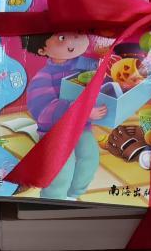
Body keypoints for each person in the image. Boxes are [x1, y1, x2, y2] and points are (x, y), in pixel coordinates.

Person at [20, 32, 108, 200]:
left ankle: (74, 194)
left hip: (80, 126)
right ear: (42, 50)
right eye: (62, 38)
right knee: (61, 167)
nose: (74, 40)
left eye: (77, 33)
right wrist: (82, 111)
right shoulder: (43, 77)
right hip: (54, 131)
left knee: (90, 156)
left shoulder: (87, 65)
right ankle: (53, 199)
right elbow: (42, 108)